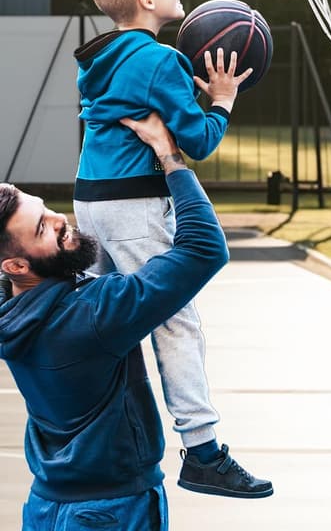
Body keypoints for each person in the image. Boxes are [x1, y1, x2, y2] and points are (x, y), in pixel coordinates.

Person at [0, 111, 272, 531]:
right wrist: (169, 156)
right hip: (109, 513)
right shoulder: (93, 314)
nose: (59, 220)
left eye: (47, 209)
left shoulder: (11, 309)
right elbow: (204, 249)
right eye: (42, 229)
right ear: (16, 264)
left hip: (45, 507)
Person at [71, 0, 270, 496]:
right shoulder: (161, 59)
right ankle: (204, 452)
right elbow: (199, 142)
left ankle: (94, 432)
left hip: (90, 201)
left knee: (103, 322)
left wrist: (191, 94)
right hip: (132, 204)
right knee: (174, 318)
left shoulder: (104, 56)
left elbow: (144, 102)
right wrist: (224, 99)